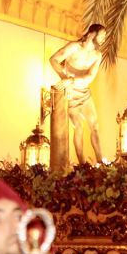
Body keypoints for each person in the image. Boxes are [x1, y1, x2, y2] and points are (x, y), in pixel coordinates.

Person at [49, 24, 107, 163]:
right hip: (71, 94)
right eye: (102, 35)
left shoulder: (97, 55)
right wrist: (64, 78)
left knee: (94, 126)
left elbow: (90, 76)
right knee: (78, 125)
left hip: (84, 92)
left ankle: (100, 160)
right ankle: (82, 163)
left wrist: (72, 80)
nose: (104, 39)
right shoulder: (74, 47)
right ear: (92, 34)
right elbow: (53, 60)